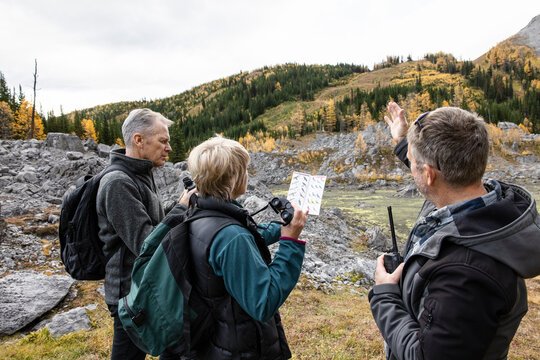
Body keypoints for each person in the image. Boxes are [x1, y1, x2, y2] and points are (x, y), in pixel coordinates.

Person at [369, 102, 540, 360]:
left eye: (413, 162)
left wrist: (384, 296)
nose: (410, 165)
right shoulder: (475, 202)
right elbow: (437, 169)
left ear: (429, 174)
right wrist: (404, 140)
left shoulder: (467, 275)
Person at [178, 135, 308, 359]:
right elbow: (263, 302)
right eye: (245, 169)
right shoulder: (232, 237)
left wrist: (282, 228)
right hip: (242, 349)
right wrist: (290, 242)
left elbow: (248, 233)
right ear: (235, 178)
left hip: (218, 339)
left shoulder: (201, 215)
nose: (248, 174)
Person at [96, 108, 193, 360]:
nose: (169, 148)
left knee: (177, 346)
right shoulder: (118, 183)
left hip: (149, 286)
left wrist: (182, 207)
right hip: (130, 293)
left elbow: (156, 225)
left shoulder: (141, 173)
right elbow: (145, 244)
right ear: (139, 140)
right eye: (163, 141)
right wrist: (181, 209)